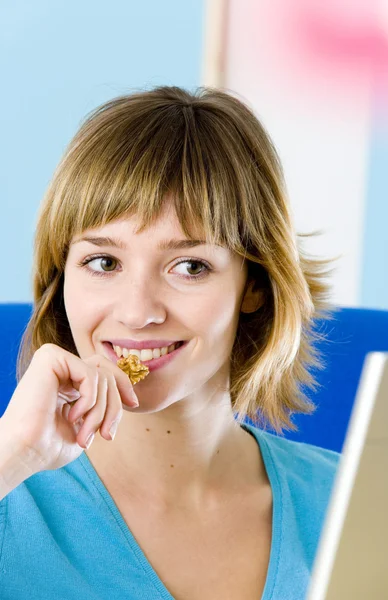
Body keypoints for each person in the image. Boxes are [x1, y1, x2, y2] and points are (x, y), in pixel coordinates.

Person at [0, 86, 340, 600]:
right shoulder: (8, 486)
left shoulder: (360, 503)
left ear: (253, 285)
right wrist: (12, 456)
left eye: (190, 266)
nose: (138, 312)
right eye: (104, 262)